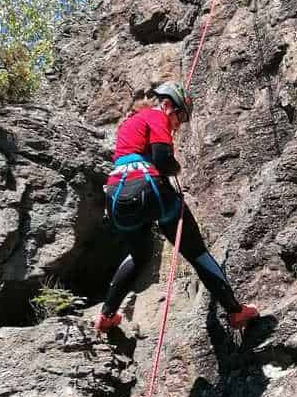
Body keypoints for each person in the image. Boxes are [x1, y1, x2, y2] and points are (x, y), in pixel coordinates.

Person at [96, 80, 259, 334]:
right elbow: (162, 158)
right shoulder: (156, 115)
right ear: (168, 105)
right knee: (196, 252)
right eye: (180, 117)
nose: (178, 124)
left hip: (116, 197)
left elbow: (139, 153)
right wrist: (175, 167)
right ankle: (235, 311)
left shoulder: (130, 124)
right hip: (147, 189)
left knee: (138, 255)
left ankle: (106, 316)